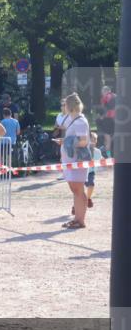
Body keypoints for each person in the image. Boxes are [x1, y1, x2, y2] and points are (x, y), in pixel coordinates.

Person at [53, 93, 92, 229]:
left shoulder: (80, 121)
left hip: (77, 161)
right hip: (71, 161)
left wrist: (67, 141)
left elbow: (83, 141)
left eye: (64, 105)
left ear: (69, 106)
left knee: (78, 190)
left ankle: (80, 220)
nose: (63, 107)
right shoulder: (75, 119)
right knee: (76, 190)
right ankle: (77, 219)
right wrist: (65, 141)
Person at [98, 86, 116, 157]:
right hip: (117, 121)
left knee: (107, 141)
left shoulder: (105, 98)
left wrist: (101, 117)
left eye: (102, 92)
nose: (102, 94)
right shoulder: (116, 96)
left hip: (107, 121)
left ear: (105, 91)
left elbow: (104, 110)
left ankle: (109, 157)